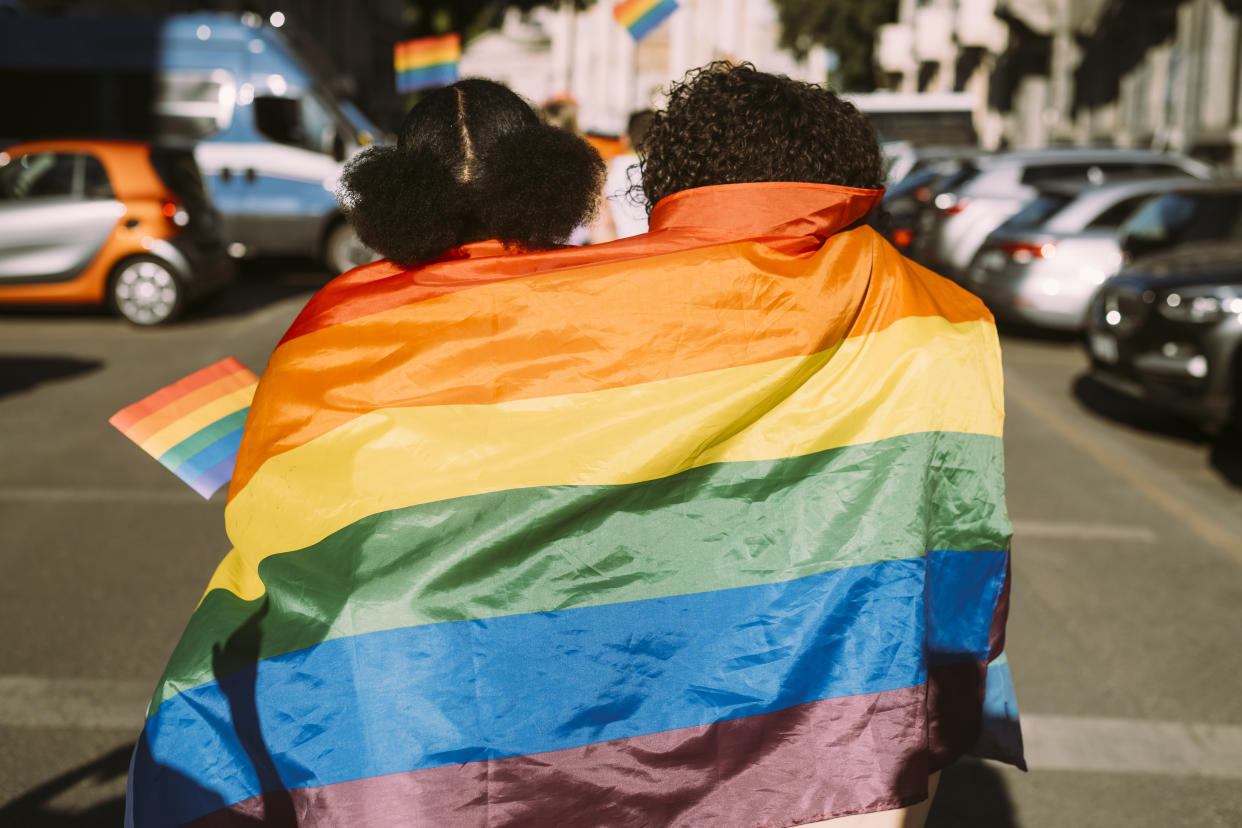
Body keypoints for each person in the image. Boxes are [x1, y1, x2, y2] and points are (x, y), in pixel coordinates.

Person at [126, 66, 1021, 828]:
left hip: (388, 720)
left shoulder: (338, 321)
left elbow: (276, 506)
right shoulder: (652, 304)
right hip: (702, 737)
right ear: (549, 187)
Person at [594, 108, 654, 241]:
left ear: (625, 140)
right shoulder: (663, 171)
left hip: (619, 252)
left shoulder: (607, 169)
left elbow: (601, 223)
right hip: (656, 254)